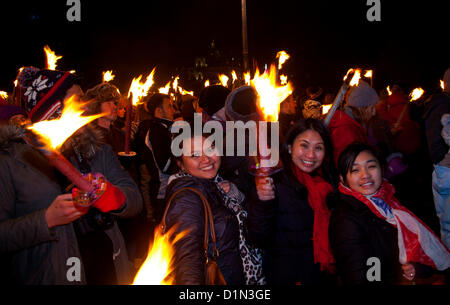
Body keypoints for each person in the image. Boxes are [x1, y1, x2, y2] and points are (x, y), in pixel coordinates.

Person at [0, 67, 143, 284]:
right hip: (52, 273)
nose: (87, 105)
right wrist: (46, 220)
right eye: (78, 99)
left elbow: (135, 199)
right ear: (53, 108)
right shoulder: (10, 162)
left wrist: (114, 197)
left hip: (107, 265)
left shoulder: (98, 150)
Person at [329, 142, 450, 285]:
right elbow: (363, 277)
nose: (365, 175)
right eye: (355, 170)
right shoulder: (346, 219)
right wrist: (397, 276)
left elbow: (414, 250)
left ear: (382, 169)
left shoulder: (390, 200)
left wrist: (411, 269)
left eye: (371, 166)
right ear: (343, 179)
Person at [164, 130, 264, 285]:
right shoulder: (187, 198)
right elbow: (187, 258)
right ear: (180, 164)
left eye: (210, 149)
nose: (206, 159)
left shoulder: (216, 182)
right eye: (195, 155)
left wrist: (237, 194)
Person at [247, 118, 338, 285]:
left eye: (318, 148)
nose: (311, 155)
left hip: (323, 274)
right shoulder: (273, 182)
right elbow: (257, 237)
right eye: (304, 145)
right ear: (289, 147)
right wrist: (263, 203)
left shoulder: (328, 181)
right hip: (289, 276)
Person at [134, 93, 178, 222]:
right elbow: (166, 166)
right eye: (169, 106)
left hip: (169, 190)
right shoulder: (157, 131)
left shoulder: (165, 128)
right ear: (159, 111)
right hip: (163, 192)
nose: (173, 110)